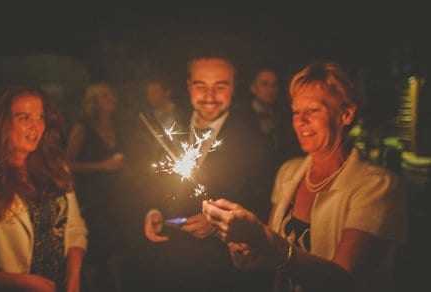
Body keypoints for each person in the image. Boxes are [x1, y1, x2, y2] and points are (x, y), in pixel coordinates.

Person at [202, 62, 407, 291]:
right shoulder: (289, 172)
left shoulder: (378, 186)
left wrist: (261, 237)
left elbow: (341, 281)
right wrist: (250, 250)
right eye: (296, 111)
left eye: (314, 110)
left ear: (346, 114)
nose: (301, 121)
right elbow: (274, 258)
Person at [138, 54, 274, 291]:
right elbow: (155, 178)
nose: (209, 96)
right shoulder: (173, 127)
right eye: (201, 85)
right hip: (167, 263)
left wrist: (219, 224)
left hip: (220, 272)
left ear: (234, 87)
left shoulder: (254, 140)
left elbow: (264, 203)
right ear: (189, 86)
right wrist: (153, 209)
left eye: (220, 86)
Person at [0, 85, 87, 292]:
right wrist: (25, 282)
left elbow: (74, 226)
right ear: (2, 124)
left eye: (40, 117)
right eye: (24, 118)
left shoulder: (55, 167)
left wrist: (73, 279)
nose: (36, 127)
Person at [66, 82, 130, 291]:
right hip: (92, 198)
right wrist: (103, 166)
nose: (111, 98)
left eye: (112, 94)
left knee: (119, 246)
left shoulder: (118, 126)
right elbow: (68, 164)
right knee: (94, 249)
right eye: (104, 96)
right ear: (93, 102)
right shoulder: (82, 127)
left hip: (117, 196)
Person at [249, 68, 301, 166]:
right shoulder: (242, 118)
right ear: (253, 88)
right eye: (265, 84)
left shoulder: (285, 116)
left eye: (274, 85)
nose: (270, 90)